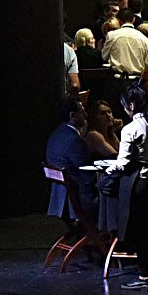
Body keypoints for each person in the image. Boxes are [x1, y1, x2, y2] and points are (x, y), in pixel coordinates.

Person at [106, 86, 148, 286]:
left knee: (139, 228)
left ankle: (143, 276)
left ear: (131, 105)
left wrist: (109, 170)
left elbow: (123, 162)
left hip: (137, 183)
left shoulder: (130, 129)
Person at [44, 96, 97, 241]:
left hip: (61, 199)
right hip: (78, 201)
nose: (86, 115)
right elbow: (88, 177)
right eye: (82, 111)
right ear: (72, 116)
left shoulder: (56, 135)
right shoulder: (74, 140)